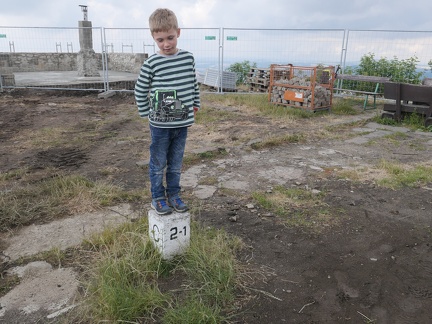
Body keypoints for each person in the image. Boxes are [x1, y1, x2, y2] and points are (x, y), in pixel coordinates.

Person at [135, 8, 200, 215]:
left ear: (178, 32)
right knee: (158, 164)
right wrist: (147, 113)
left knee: (175, 163)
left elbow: (193, 84)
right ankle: (158, 198)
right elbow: (140, 89)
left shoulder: (188, 58)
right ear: (153, 37)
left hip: (181, 125)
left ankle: (174, 195)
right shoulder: (151, 63)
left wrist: (195, 104)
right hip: (160, 126)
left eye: (170, 38)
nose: (166, 44)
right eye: (160, 40)